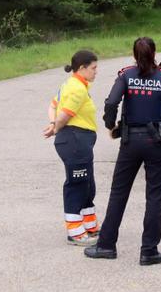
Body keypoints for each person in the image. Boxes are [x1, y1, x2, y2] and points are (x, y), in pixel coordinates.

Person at [84, 37, 161, 266]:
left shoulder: (126, 75)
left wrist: (111, 125)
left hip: (130, 141)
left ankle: (106, 245)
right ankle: (149, 251)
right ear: (154, 54)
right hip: (156, 142)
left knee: (119, 193)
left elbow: (111, 102)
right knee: (154, 196)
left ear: (134, 55)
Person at [44, 50, 100, 246]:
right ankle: (75, 232)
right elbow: (65, 115)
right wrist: (55, 127)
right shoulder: (77, 89)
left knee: (87, 183)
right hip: (74, 140)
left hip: (79, 141)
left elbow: (52, 106)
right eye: (93, 68)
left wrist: (53, 123)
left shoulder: (70, 84)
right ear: (82, 68)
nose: (96, 72)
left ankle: (89, 225)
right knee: (77, 184)